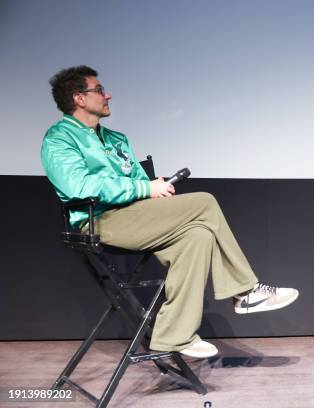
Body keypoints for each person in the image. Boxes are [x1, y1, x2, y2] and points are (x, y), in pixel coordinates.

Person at [41, 66, 299, 359]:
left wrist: (156, 189)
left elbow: (139, 182)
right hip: (97, 220)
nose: (107, 94)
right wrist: (145, 189)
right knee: (204, 202)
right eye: (99, 89)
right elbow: (79, 186)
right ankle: (246, 291)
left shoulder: (116, 139)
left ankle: (174, 336)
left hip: (134, 215)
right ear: (79, 98)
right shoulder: (59, 139)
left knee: (199, 235)